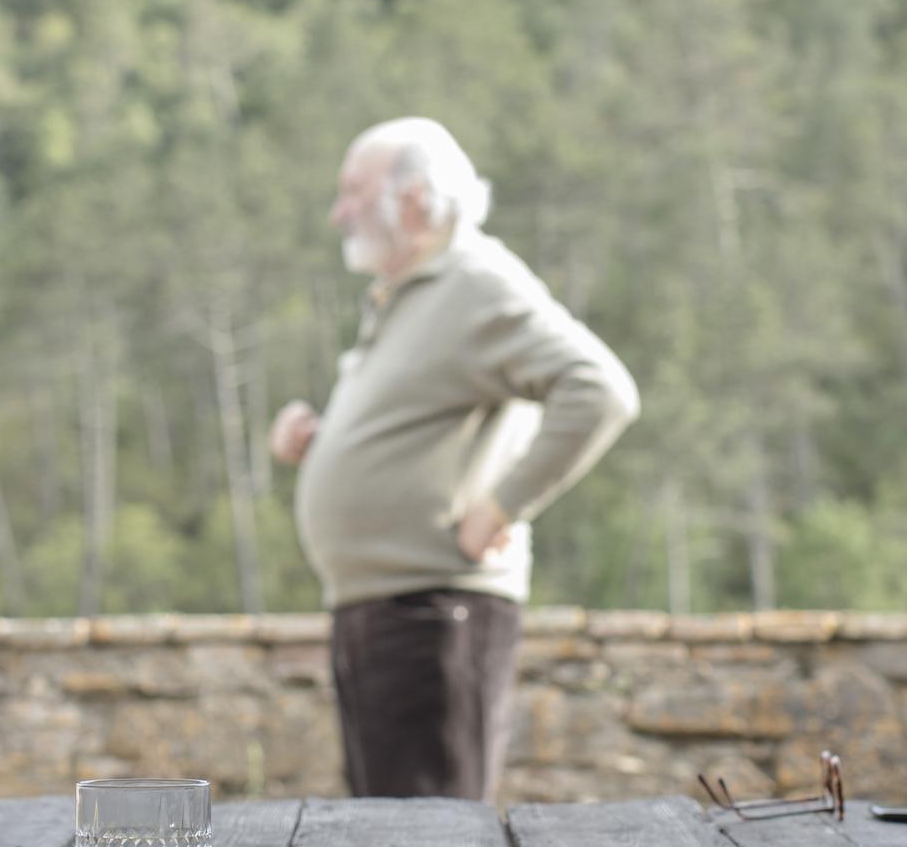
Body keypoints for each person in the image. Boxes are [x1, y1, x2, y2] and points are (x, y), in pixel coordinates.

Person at [271, 118, 639, 803]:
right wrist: (320, 444)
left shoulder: (476, 280)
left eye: (353, 190)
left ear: (412, 198)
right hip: (381, 611)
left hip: (433, 616)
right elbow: (416, 427)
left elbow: (599, 390)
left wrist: (501, 507)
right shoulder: (409, 292)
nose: (337, 211)